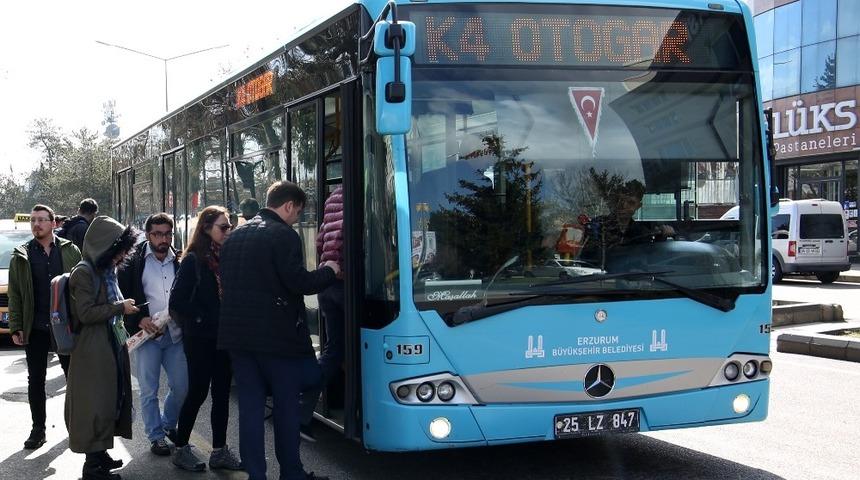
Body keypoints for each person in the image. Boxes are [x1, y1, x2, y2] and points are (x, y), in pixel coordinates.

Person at [219, 181, 339, 480]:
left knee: (250, 411)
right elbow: (298, 283)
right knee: (286, 409)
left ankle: (256, 474)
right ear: (288, 205)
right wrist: (330, 271)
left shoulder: (234, 237)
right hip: (277, 339)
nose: (297, 218)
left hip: (238, 338)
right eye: (297, 212)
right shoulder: (283, 235)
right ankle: (291, 472)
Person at [168, 206, 242, 472]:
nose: (228, 231)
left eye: (230, 226)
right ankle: (180, 448)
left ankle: (219, 451)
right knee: (198, 392)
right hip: (199, 338)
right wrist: (203, 317)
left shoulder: (227, 257)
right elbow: (176, 301)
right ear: (206, 228)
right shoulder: (193, 260)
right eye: (223, 227)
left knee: (222, 394)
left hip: (223, 338)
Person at [65, 216, 138, 480]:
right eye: (118, 250)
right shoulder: (84, 272)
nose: (122, 256)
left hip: (107, 344)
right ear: (105, 247)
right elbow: (85, 313)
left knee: (109, 400)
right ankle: (93, 467)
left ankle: (100, 455)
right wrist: (120, 307)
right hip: (92, 349)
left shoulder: (105, 270)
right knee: (95, 404)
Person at [8, 204, 82, 450]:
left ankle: (76, 427)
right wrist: (17, 326)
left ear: (53, 223)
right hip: (37, 326)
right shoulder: (22, 255)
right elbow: (16, 294)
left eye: (41, 220)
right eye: (33, 220)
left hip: (66, 327)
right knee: (36, 380)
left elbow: (82, 288)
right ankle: (38, 429)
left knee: (74, 378)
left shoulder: (70, 251)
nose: (36, 224)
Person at [118, 213, 187, 456]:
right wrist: (138, 319)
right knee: (149, 390)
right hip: (148, 336)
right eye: (158, 234)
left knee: (182, 387)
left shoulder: (180, 259)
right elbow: (121, 297)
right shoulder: (133, 261)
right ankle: (155, 436)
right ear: (148, 235)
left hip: (175, 335)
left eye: (168, 234)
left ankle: (168, 424)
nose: (163, 239)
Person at [299, 185, 344, 442]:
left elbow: (320, 240)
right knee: (341, 349)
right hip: (345, 284)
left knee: (333, 349)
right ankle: (301, 406)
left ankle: (302, 405)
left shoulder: (334, 196)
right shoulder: (368, 187)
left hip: (328, 285)